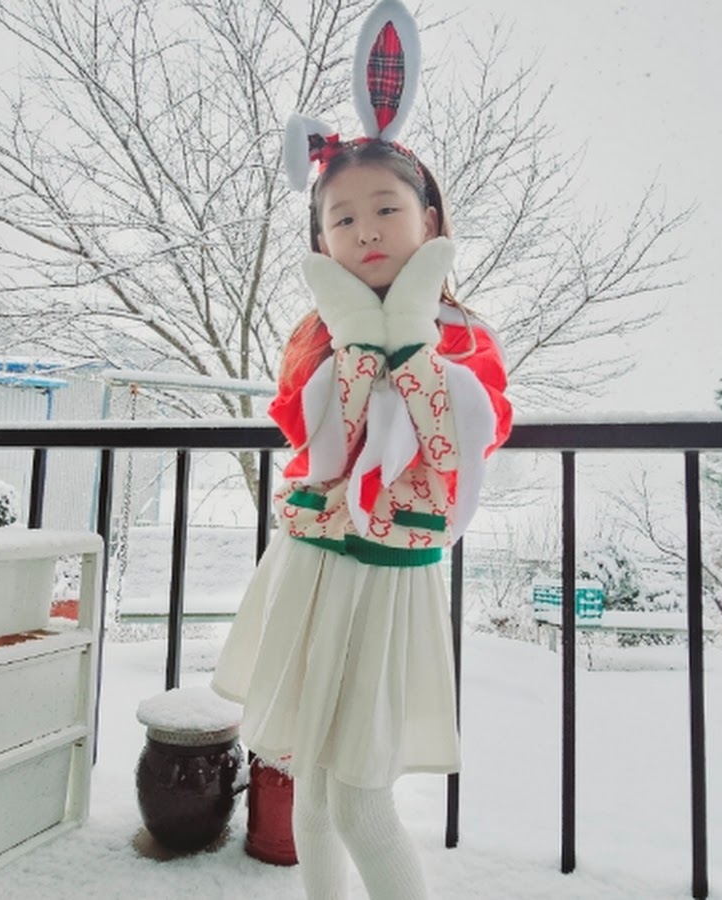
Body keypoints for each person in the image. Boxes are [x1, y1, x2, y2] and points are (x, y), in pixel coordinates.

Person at [211, 3, 513, 897]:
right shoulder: (318, 335)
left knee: (358, 797)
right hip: (311, 568)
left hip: (386, 579)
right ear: (321, 243)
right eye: (342, 219)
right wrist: (352, 349)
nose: (367, 230)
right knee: (308, 783)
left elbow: (468, 438)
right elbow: (310, 440)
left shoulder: (460, 335)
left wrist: (408, 344)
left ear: (429, 220)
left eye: (387, 208)